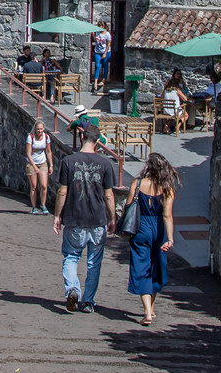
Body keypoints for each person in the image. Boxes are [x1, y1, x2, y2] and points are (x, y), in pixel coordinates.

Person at [53, 118, 119, 313]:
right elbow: (109, 194)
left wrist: (57, 215)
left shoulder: (68, 161)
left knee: (71, 257)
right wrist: (112, 218)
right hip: (97, 219)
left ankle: (72, 288)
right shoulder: (105, 164)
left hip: (75, 217)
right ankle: (88, 301)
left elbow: (62, 192)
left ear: (82, 137)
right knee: (94, 262)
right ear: (98, 142)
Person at [126, 153, 178, 325]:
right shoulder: (167, 188)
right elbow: (167, 215)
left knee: (141, 266)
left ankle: (148, 311)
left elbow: (128, 206)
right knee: (156, 266)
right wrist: (170, 238)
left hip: (141, 227)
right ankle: (151, 308)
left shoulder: (137, 183)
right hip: (159, 229)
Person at [24, 120, 53, 214]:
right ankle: (34, 207)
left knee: (44, 185)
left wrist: (51, 165)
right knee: (34, 186)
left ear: (44, 129)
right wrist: (34, 167)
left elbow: (48, 151)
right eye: (38, 129)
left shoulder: (46, 137)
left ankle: (43, 205)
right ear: (35, 129)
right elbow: (28, 154)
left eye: (41, 129)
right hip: (32, 163)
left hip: (42, 163)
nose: (39, 131)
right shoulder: (31, 137)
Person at [90, 21, 111, 92]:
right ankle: (96, 82)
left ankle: (103, 80)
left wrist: (105, 53)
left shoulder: (107, 34)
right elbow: (96, 41)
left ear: (104, 26)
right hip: (97, 51)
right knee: (97, 65)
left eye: (101, 26)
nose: (99, 27)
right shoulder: (97, 33)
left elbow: (108, 45)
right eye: (98, 25)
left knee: (105, 65)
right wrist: (93, 35)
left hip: (106, 52)